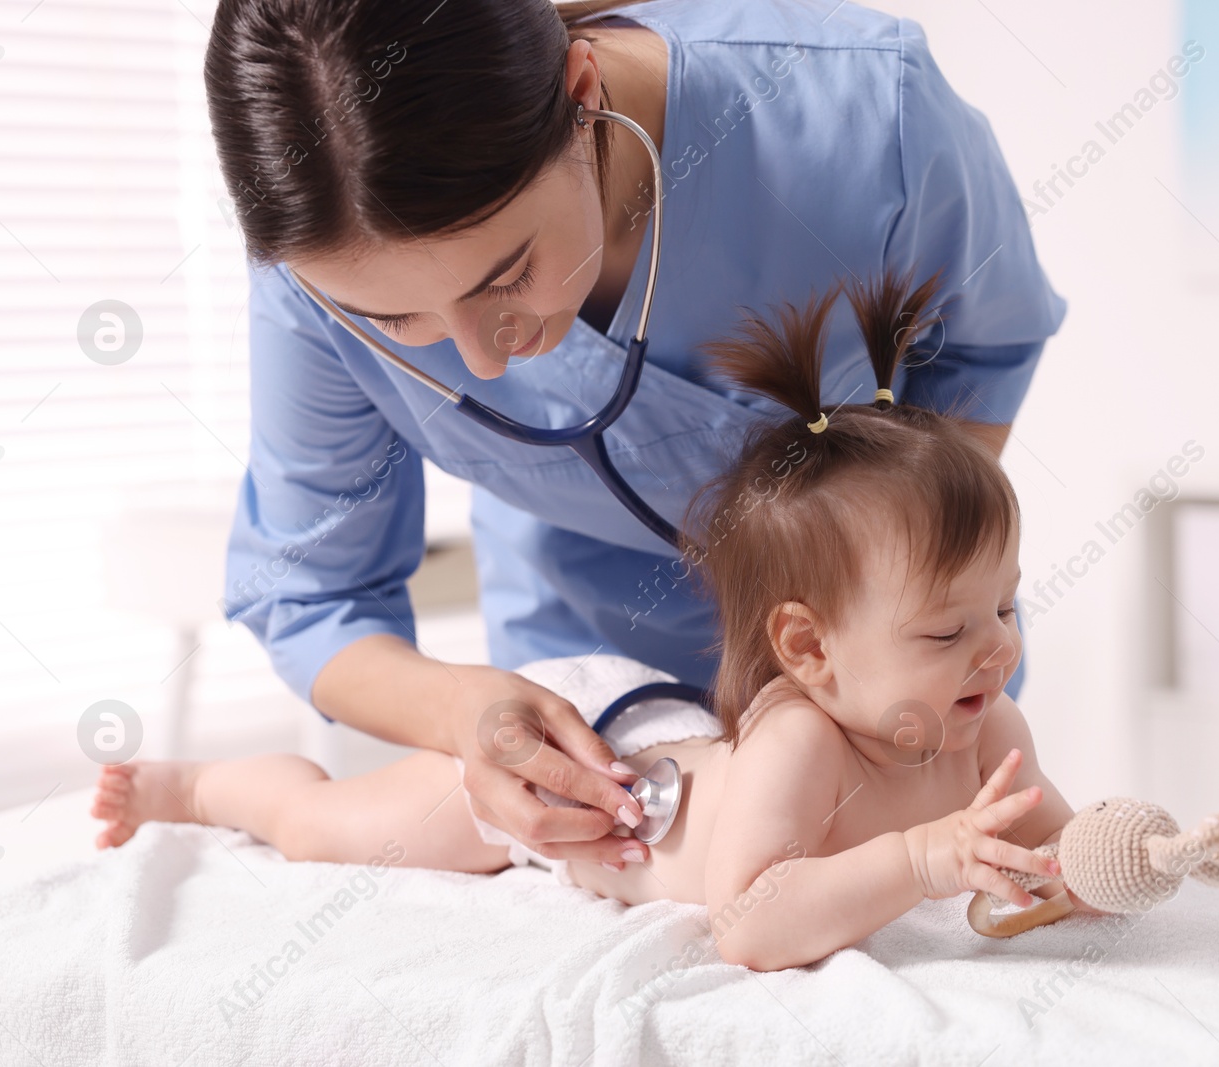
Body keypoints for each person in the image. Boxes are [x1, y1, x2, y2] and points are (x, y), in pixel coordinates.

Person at [205, 0, 1066, 871]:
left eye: (510, 275)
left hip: (890, 689)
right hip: (586, 703)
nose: (483, 358)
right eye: (396, 320)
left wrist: (885, 612)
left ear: (583, 95)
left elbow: (985, 344)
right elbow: (310, 593)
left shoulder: (870, 116)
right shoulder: (314, 274)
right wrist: (461, 711)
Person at [93, 271, 1094, 970]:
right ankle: (214, 784)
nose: (999, 646)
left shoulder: (990, 733)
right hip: (581, 759)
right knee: (332, 829)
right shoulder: (804, 737)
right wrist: (920, 859)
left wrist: (1115, 860)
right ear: (807, 649)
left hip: (659, 740)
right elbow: (749, 921)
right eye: (945, 631)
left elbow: (1051, 859)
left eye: (1002, 604)